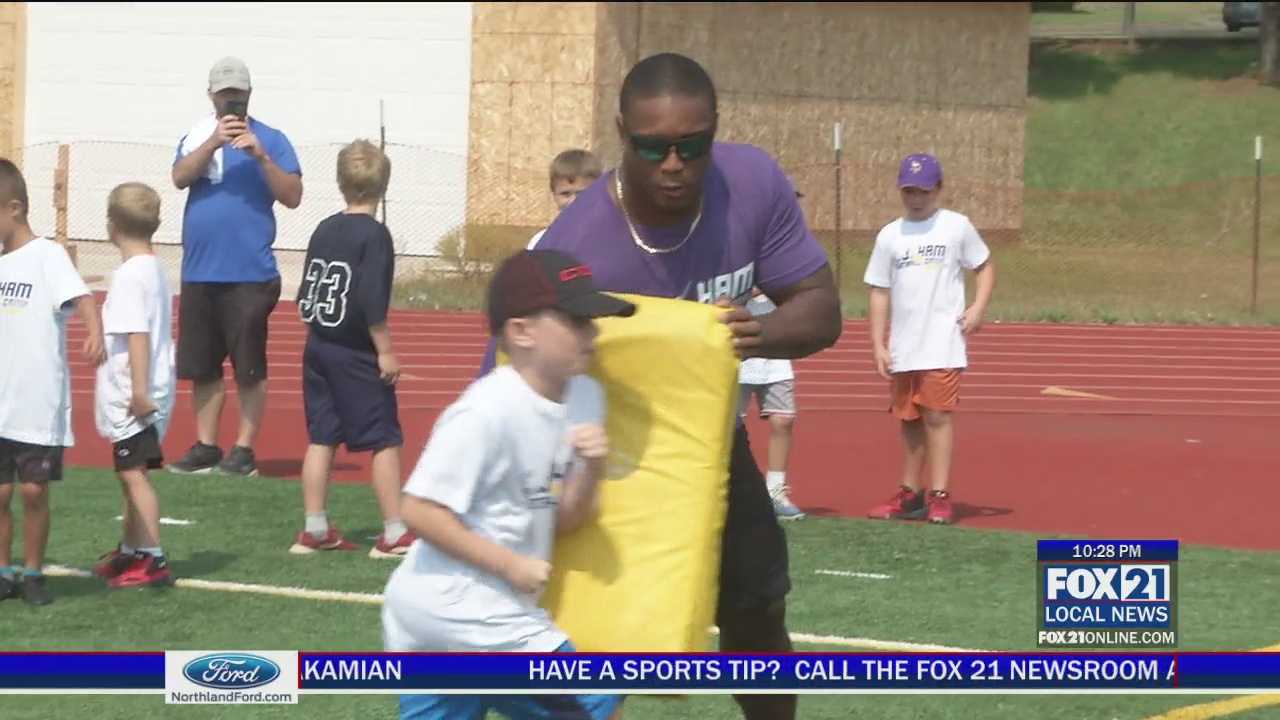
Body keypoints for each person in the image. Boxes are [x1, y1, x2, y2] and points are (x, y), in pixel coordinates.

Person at [479, 52, 843, 720]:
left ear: (715, 131)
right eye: (652, 147)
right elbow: (506, 372)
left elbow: (821, 308)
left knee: (759, 603)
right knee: (597, 629)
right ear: (622, 134)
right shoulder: (577, 247)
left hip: (703, 441)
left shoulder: (753, 181)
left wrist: (753, 334)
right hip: (596, 449)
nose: (673, 164)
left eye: (691, 145)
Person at [383, 248, 636, 720]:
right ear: (521, 332)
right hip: (458, 608)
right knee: (600, 698)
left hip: (470, 614)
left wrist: (592, 467)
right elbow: (418, 509)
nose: (593, 331)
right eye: (577, 320)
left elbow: (568, 519)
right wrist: (510, 565)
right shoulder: (486, 411)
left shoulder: (587, 396)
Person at [167, 56, 304, 477]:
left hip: (250, 274)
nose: (232, 102)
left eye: (238, 94)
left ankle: (243, 448)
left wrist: (261, 157)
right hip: (199, 272)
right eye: (225, 94)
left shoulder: (272, 139)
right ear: (211, 95)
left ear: (249, 94)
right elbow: (178, 177)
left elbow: (294, 194)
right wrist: (211, 145)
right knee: (202, 366)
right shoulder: (196, 135)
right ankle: (207, 444)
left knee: (248, 367)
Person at [290, 140, 413, 559]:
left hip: (318, 344)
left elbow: (308, 292)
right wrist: (386, 352)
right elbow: (371, 301)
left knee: (322, 436)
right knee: (385, 438)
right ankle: (394, 531)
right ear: (383, 186)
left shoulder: (324, 228)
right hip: (355, 351)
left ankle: (315, 526)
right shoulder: (375, 237)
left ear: (341, 182)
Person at [864, 153, 996, 526]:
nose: (915, 198)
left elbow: (984, 267)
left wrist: (977, 308)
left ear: (938, 189)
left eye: (923, 191)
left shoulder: (955, 227)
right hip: (905, 345)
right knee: (909, 420)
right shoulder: (890, 235)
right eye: (908, 191)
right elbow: (879, 290)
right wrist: (878, 342)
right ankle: (909, 493)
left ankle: (939, 494)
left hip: (942, 341)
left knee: (937, 416)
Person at [0, 158, 105, 606]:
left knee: (32, 490)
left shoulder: (47, 255)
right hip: (1, 402)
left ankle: (35, 573)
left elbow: (82, 296)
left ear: (15, 208)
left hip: (36, 404)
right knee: (1, 492)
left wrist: (95, 332)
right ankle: (4, 574)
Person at [90, 182, 177, 588]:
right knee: (130, 470)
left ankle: (153, 556)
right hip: (149, 387)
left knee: (133, 474)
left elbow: (137, 335)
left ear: (111, 225)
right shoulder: (153, 268)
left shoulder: (128, 276)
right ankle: (131, 549)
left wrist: (138, 392)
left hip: (135, 395)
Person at [737, 287, 803, 521]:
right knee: (727, 427)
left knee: (783, 420)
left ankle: (775, 490)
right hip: (739, 356)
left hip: (775, 356)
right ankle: (727, 490)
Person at [527, 149, 604, 250]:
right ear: (554, 195)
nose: (573, 201)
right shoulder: (542, 241)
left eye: (581, 194)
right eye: (565, 194)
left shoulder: (609, 238)